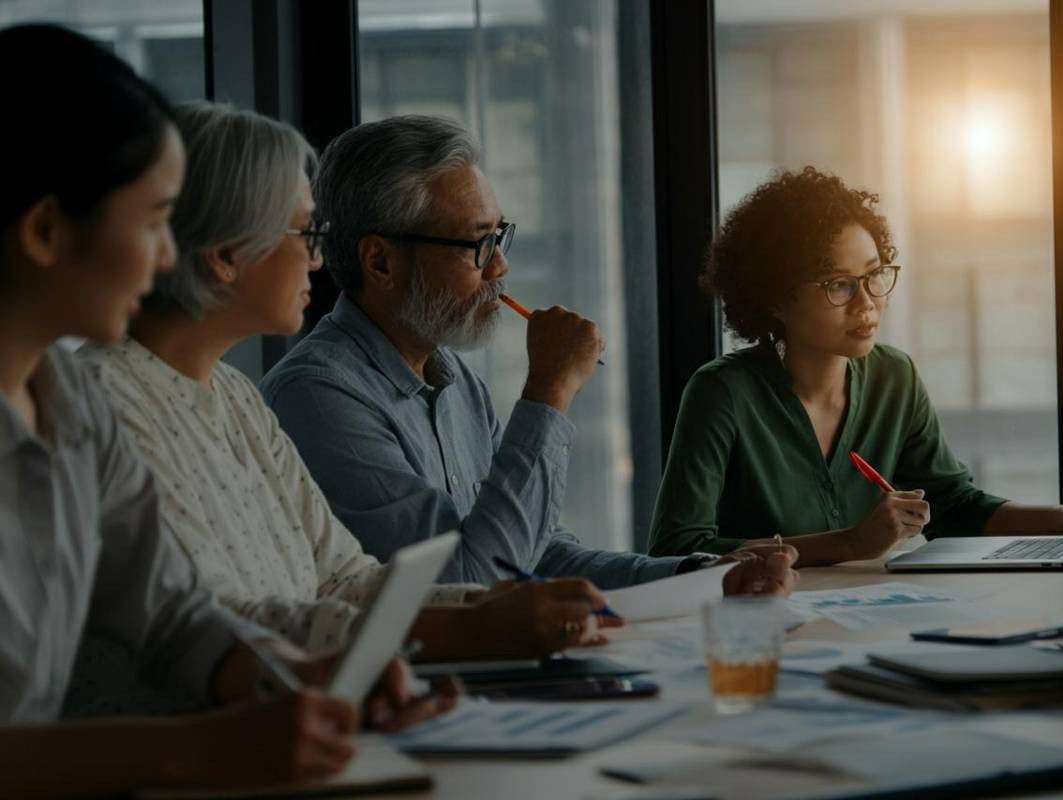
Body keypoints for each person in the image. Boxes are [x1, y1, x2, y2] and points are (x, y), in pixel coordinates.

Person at [0, 25, 449, 797]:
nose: (170, 256)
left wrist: (302, 684)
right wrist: (193, 750)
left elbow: (172, 614)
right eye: (150, 224)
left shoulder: (67, 400)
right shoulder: (105, 389)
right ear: (45, 231)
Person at [81, 100, 630, 659]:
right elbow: (209, 626)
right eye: (304, 233)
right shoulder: (109, 404)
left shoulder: (236, 395)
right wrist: (473, 624)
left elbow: (346, 581)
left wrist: (685, 576)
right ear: (225, 254)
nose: (318, 261)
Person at [259, 115, 795, 593]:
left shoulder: (455, 382)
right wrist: (548, 392)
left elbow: (537, 555)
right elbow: (472, 586)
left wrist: (698, 573)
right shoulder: (319, 397)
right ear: (380, 262)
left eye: (500, 237)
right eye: (478, 245)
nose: (500, 270)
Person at [648, 167, 1063, 561]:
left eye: (874, 275)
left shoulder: (895, 378)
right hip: (764, 628)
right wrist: (848, 543)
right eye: (839, 284)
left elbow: (952, 505)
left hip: (865, 616)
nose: (866, 303)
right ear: (774, 299)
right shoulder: (722, 393)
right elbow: (678, 551)